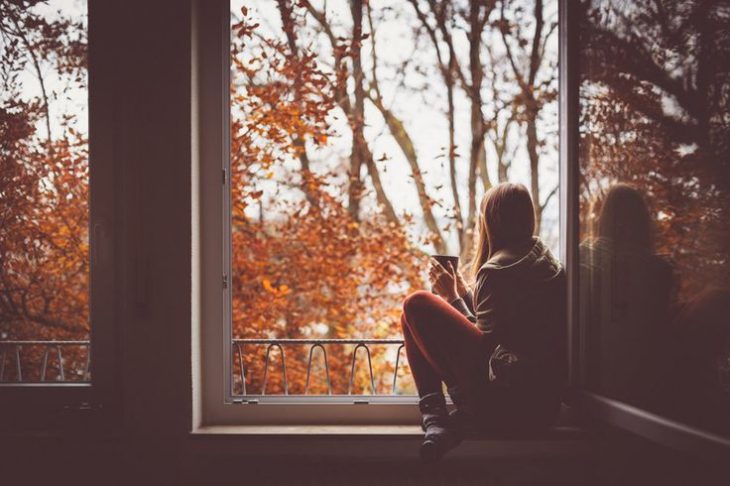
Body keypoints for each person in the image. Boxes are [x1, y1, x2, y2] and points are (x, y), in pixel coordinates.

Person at [401, 182, 566, 462]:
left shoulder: (497, 270)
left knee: (415, 305)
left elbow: (486, 352)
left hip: (506, 407)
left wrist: (452, 298)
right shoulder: (541, 258)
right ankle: (439, 424)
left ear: (490, 221)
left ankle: (435, 419)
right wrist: (465, 291)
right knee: (412, 318)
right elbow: (503, 329)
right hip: (542, 407)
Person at [579, 184, 675, 408]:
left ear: (604, 219)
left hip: (593, 384)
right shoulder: (659, 271)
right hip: (648, 387)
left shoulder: (586, 258)